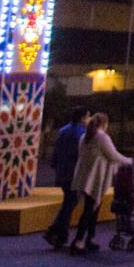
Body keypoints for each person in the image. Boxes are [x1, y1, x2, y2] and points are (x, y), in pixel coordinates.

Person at [67, 112, 131, 255]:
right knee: (90, 210)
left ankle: (88, 239)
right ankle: (79, 241)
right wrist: (129, 161)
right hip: (95, 179)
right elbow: (113, 155)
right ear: (104, 124)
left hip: (84, 177)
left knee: (91, 209)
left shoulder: (85, 137)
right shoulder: (102, 137)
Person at [44, 106, 88, 248]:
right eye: (87, 116)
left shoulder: (63, 130)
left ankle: (60, 235)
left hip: (62, 171)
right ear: (82, 117)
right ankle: (54, 231)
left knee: (68, 202)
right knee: (70, 203)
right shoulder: (82, 133)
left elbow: (56, 151)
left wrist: (55, 165)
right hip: (74, 173)